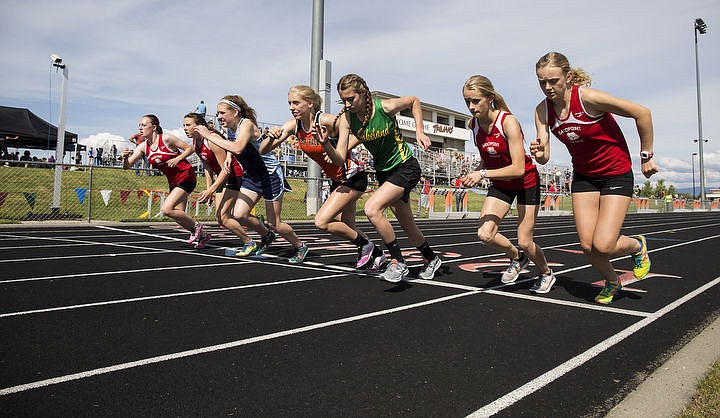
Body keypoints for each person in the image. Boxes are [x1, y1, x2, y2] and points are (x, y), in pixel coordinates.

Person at [530, 52, 657, 304]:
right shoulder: (542, 111)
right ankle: (612, 280)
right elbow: (543, 156)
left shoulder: (587, 98)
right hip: (584, 176)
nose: (547, 87)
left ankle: (637, 246)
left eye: (553, 81)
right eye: (542, 82)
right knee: (588, 247)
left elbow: (642, 113)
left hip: (615, 173)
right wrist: (540, 153)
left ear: (567, 77)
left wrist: (646, 155)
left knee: (604, 244)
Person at [328, 73, 442, 283]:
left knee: (372, 208)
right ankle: (432, 258)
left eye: (350, 99)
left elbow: (414, 100)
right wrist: (327, 144)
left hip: (405, 166)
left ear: (363, 93)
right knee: (407, 224)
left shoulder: (384, 107)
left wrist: (419, 131)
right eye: (343, 99)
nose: (347, 104)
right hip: (384, 172)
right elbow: (338, 157)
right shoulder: (346, 118)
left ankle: (398, 263)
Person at [262, 85, 384, 270]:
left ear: (310, 104)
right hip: (336, 178)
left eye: (296, 102)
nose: (291, 107)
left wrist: (341, 149)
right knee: (348, 226)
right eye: (289, 103)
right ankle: (376, 253)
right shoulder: (293, 126)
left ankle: (366, 246)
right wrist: (271, 137)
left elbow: (360, 131)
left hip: (352, 176)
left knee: (321, 221)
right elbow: (263, 150)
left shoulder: (326, 120)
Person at [461, 75, 556, 293]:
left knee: (525, 240)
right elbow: (487, 156)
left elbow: (518, 168)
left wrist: (483, 174)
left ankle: (546, 273)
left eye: (475, 101)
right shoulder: (473, 125)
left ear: (489, 98)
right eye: (467, 101)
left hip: (525, 183)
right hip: (501, 183)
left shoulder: (508, 122)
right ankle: (517, 257)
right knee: (485, 234)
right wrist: (476, 171)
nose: (471, 107)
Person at [204, 95, 309, 263]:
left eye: (222, 113)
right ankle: (266, 235)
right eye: (217, 113)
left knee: (274, 222)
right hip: (252, 176)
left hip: (270, 176)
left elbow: (238, 147)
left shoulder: (246, 124)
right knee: (239, 214)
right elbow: (235, 144)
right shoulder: (230, 128)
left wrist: (209, 136)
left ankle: (300, 246)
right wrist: (229, 156)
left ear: (235, 112)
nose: (219, 117)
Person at [121, 114, 210, 248]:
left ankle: (197, 227)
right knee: (179, 216)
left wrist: (177, 159)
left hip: (186, 176)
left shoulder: (166, 139)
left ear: (154, 127)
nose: (140, 128)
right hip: (173, 182)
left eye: (144, 125)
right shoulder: (143, 147)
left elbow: (189, 148)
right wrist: (124, 157)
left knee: (166, 209)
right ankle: (203, 235)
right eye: (139, 125)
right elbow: (127, 167)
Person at [183, 112, 256, 250]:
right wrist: (208, 188)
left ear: (198, 126)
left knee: (224, 216)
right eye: (184, 125)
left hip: (234, 175)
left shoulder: (212, 139)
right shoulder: (195, 142)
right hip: (222, 178)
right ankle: (254, 237)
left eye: (188, 125)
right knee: (221, 218)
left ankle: (251, 240)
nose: (185, 128)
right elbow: (207, 167)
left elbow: (225, 169)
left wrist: (211, 190)